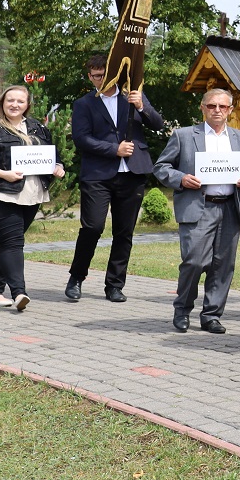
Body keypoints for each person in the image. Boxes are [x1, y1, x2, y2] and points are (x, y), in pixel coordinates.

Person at [152, 89, 240, 334]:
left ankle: (211, 315)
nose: (217, 110)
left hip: (229, 207)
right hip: (198, 206)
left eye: (222, 106)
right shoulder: (184, 135)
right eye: (211, 106)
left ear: (230, 110)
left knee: (223, 265)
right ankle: (182, 309)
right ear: (202, 107)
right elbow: (161, 167)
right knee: (194, 261)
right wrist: (181, 178)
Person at [67, 55, 165, 302]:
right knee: (93, 227)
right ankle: (77, 276)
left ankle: (114, 285)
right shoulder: (84, 104)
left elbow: (158, 124)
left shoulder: (133, 96)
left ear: (112, 74)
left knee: (124, 233)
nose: (96, 80)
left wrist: (142, 106)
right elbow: (81, 139)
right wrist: (114, 150)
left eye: (101, 75)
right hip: (98, 175)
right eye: (92, 75)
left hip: (132, 174)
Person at [0, 85, 64, 311]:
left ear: (27, 105)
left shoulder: (37, 127)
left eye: (20, 101)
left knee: (5, 243)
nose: (15, 105)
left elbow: (53, 155)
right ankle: (19, 293)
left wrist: (58, 166)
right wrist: (2, 174)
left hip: (31, 194)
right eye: (10, 100)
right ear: (2, 101)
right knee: (13, 242)